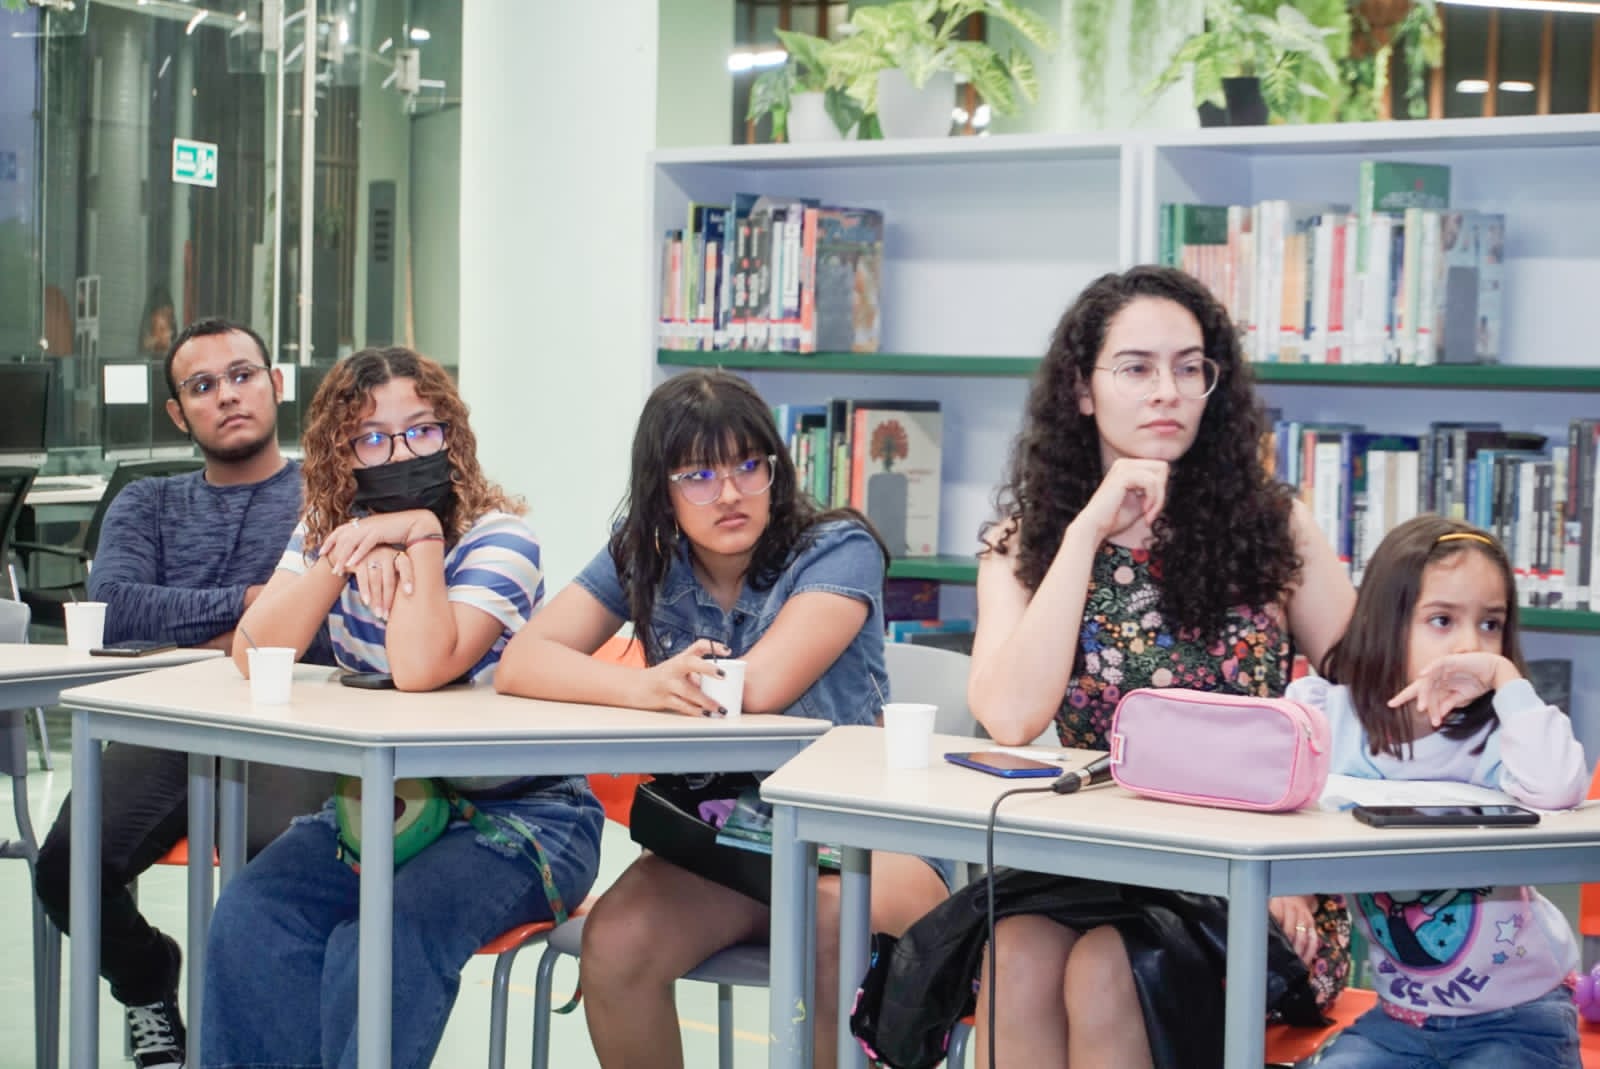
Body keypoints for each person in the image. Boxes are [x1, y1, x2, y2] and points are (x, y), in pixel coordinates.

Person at [494, 369, 951, 1069]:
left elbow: (759, 686)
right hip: (730, 842)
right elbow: (524, 660)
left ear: (777, 468)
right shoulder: (645, 554)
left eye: (748, 465)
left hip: (865, 842)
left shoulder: (837, 546)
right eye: (698, 475)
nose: (731, 492)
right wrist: (643, 687)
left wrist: (639, 683)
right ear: (661, 490)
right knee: (614, 941)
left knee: (830, 927)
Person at [966, 266, 1358, 1068]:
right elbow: (1009, 715)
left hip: (1249, 874)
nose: (1167, 391)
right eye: (1136, 367)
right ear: (1083, 390)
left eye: (1190, 367)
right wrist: (1084, 535)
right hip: (1095, 865)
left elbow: (1367, 690)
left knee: (1108, 967)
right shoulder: (1024, 544)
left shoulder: (1274, 527)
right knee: (1012, 956)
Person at [201, 347, 604, 1069]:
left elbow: (422, 671)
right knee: (251, 915)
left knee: (382, 937)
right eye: (372, 439)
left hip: (522, 816)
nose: (401, 452)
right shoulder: (328, 533)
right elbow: (256, 647)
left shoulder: (501, 538)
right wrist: (340, 553)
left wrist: (418, 538)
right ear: (340, 453)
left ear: (453, 436)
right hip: (377, 815)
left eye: (422, 430)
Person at [33, 317, 335, 1069]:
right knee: (67, 863)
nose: (227, 396)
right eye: (202, 386)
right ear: (178, 411)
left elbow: (328, 632)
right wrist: (259, 605)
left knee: (276, 872)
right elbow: (117, 608)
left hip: (291, 720)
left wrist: (248, 625)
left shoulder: (327, 493)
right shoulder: (148, 502)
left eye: (242, 375)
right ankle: (146, 982)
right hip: (167, 721)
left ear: (275, 384)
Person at [1287, 515, 1587, 1068]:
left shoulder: (1505, 734)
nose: (1470, 644)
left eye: (1491, 625)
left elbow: (1562, 787)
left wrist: (1506, 682)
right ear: (1387, 623)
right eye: (1443, 620)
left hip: (1520, 1022)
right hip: (1397, 1022)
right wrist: (1286, 889)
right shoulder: (1333, 721)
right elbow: (1275, 801)